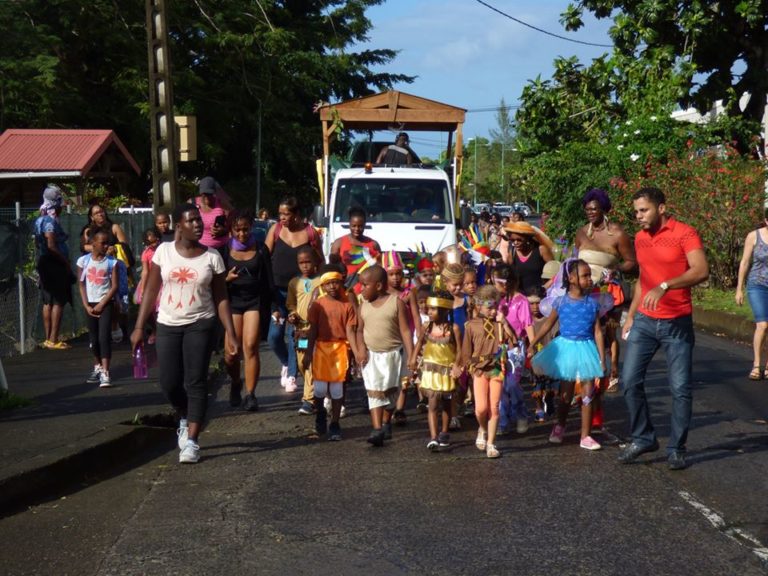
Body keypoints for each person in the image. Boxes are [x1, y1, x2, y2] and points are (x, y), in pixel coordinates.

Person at [130, 203, 238, 464]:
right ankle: (183, 414)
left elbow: (221, 298)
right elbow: (151, 291)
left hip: (201, 323)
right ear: (179, 226)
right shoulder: (163, 252)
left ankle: (192, 441)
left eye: (199, 220)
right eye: (191, 221)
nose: (198, 224)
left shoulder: (213, 257)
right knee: (169, 382)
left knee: (196, 381)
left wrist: (231, 334)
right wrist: (138, 327)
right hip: (167, 324)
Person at [619, 187, 709, 471]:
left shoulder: (685, 233)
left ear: (661, 208)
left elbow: (700, 270)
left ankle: (676, 448)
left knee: (680, 388)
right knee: (629, 381)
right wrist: (631, 315)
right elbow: (643, 278)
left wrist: (666, 285)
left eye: (643, 210)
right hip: (644, 321)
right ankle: (643, 437)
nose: (638, 216)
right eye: (635, 211)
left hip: (676, 323)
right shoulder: (641, 238)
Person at [529, 259, 606, 451]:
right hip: (566, 348)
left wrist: (602, 359)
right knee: (566, 393)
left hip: (587, 348)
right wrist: (534, 342)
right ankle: (560, 425)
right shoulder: (561, 301)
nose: (589, 279)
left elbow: (597, 331)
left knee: (588, 392)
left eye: (590, 275)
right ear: (571, 278)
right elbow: (547, 324)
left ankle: (585, 436)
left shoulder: (592, 304)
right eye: (585, 275)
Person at [574, 188, 637, 390]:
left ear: (603, 209)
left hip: (608, 290)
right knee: (587, 331)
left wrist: (615, 269)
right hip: (585, 290)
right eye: (587, 210)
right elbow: (574, 261)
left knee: (609, 332)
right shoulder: (582, 233)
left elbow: (631, 262)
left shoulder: (617, 233)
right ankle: (588, 373)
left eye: (594, 209)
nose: (591, 213)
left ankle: (614, 373)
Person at [265, 197, 323, 390]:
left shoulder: (310, 233)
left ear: (297, 215)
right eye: (280, 213)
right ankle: (286, 363)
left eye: (286, 214)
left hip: (300, 294)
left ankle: (292, 374)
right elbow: (265, 258)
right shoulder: (275, 230)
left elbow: (319, 260)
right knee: (274, 336)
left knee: (293, 335)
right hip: (277, 293)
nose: (282, 218)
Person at [220, 210, 272, 410]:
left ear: (251, 228)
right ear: (231, 230)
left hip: (254, 302)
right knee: (231, 353)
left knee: (250, 346)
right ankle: (235, 383)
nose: (242, 234)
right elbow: (215, 282)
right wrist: (226, 279)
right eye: (237, 230)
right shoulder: (224, 251)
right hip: (232, 303)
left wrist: (275, 307)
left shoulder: (260, 249)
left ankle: (251, 395)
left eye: (245, 230)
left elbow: (268, 280)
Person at [357, 266, 414, 446]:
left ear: (379, 285)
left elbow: (405, 331)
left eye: (365, 285)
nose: (361, 289)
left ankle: (386, 421)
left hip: (394, 355)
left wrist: (411, 355)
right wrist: (360, 349)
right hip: (371, 356)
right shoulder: (362, 306)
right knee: (373, 391)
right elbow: (359, 330)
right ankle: (376, 429)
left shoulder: (396, 303)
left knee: (390, 392)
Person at [302, 267, 358, 441]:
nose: (332, 287)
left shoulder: (348, 304)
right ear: (323, 286)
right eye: (328, 284)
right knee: (319, 388)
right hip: (321, 348)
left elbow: (350, 330)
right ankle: (320, 415)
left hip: (340, 349)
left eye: (336, 282)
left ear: (341, 283)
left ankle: (334, 423)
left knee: (336, 389)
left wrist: (355, 353)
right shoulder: (318, 304)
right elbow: (313, 329)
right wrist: (308, 353)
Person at [460, 284, 516, 459]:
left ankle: (491, 443)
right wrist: (471, 368)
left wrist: (504, 322)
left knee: (494, 407)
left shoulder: (499, 324)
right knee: (480, 409)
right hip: (479, 371)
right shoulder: (470, 326)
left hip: (497, 369)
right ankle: (482, 428)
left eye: (495, 308)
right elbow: (466, 352)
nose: (493, 311)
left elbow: (513, 342)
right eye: (489, 308)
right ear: (479, 306)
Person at [410, 289, 461, 451]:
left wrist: (457, 365)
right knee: (432, 404)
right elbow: (419, 344)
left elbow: (460, 350)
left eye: (433, 309)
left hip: (446, 371)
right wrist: (412, 359)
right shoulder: (427, 326)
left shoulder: (453, 328)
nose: (428, 311)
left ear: (444, 309)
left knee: (446, 404)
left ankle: (444, 433)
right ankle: (433, 437)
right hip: (431, 370)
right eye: (428, 308)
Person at [77, 230, 119, 388]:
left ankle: (106, 372)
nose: (106, 245)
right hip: (90, 303)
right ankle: (98, 366)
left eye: (107, 242)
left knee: (104, 337)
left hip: (105, 303)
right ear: (93, 243)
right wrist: (86, 305)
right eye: (102, 243)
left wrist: (103, 303)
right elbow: (81, 284)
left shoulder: (111, 262)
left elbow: (114, 286)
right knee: (93, 339)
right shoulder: (83, 261)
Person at [34, 185, 74, 350]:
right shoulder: (50, 221)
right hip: (54, 265)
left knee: (47, 301)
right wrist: (64, 261)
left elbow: (38, 243)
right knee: (58, 301)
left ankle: (48, 338)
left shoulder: (39, 219)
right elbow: (51, 245)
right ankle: (53, 339)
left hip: (44, 262)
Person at [287, 246, 322, 415]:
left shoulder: (321, 281)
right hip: (301, 329)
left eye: (308, 262)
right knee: (302, 362)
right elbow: (291, 304)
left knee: (312, 362)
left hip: (316, 329)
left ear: (315, 262)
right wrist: (292, 315)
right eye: (301, 263)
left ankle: (308, 400)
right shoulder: (294, 283)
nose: (305, 266)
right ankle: (315, 394)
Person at [735, 208, 768, 380]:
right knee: (762, 325)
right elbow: (745, 262)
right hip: (757, 285)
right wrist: (739, 288)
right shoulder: (754, 236)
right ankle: (756, 364)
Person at [330, 207, 381, 293]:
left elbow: (380, 269)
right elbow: (332, 270)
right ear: (349, 224)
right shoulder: (339, 243)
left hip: (369, 292)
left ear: (365, 225)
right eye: (354, 226)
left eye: (360, 226)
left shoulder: (373, 245)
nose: (357, 229)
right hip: (347, 290)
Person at [503, 221, 555, 295]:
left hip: (538, 298)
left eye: (519, 240)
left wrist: (544, 288)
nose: (515, 243)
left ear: (527, 238)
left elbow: (556, 272)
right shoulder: (512, 252)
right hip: (520, 297)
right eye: (513, 240)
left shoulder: (541, 250)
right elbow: (509, 274)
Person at [135, 227, 161, 344]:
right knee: (148, 309)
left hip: (163, 283)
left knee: (159, 311)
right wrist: (143, 288)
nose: (152, 245)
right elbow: (145, 272)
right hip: (151, 283)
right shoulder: (146, 253)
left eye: (154, 241)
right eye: (149, 242)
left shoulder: (163, 250)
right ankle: (155, 330)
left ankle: (160, 332)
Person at [195, 178, 229, 250]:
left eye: (210, 194)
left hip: (221, 249)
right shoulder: (193, 203)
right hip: (200, 250)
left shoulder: (222, 203)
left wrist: (223, 230)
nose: (207, 197)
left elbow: (234, 224)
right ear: (200, 193)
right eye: (204, 194)